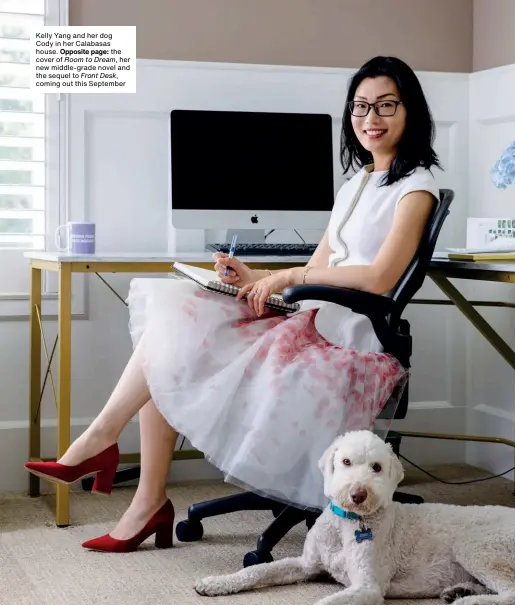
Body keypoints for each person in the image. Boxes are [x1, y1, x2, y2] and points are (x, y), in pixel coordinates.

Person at [24, 55, 442, 552]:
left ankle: (105, 454)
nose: (371, 119)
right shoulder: (356, 183)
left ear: (410, 111)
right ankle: (141, 491)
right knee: (176, 323)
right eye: (360, 107)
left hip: (349, 338)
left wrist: (289, 275)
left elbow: (378, 277)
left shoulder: (416, 189)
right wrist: (256, 277)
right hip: (313, 314)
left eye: (386, 106)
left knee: (176, 340)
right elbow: (320, 262)